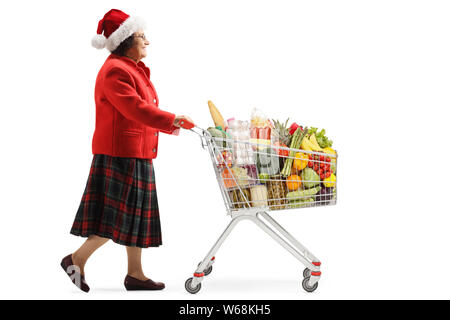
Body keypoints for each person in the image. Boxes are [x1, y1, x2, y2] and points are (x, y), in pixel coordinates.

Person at [60, 9, 194, 292]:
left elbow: (142, 107)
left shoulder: (131, 68)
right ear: (124, 41)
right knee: (115, 218)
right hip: (120, 153)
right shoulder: (116, 71)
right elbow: (136, 108)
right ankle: (75, 259)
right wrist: (173, 120)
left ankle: (135, 273)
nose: (147, 41)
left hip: (136, 151)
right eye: (141, 36)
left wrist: (170, 123)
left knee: (134, 216)